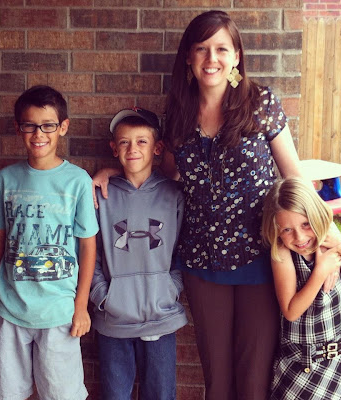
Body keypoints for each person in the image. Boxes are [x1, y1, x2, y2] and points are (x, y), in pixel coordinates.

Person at [92, 10, 337, 399]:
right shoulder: (179, 115)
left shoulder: (260, 104)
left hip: (263, 257)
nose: (212, 58)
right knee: (217, 380)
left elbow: (293, 177)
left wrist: (331, 240)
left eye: (222, 49)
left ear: (236, 56)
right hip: (203, 262)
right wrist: (116, 174)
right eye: (202, 49)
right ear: (189, 58)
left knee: (254, 377)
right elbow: (167, 176)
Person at [0, 85, 99, 400]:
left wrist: (81, 306)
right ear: (18, 128)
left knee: (61, 394)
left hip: (59, 312)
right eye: (30, 125)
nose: (38, 134)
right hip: (10, 309)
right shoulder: (5, 179)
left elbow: (88, 246)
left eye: (47, 125)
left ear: (63, 127)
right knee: (7, 393)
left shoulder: (78, 181)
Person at [90, 107, 187, 400]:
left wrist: (170, 289)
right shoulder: (99, 194)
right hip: (114, 319)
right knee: (114, 395)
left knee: (160, 394)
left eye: (142, 141)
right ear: (114, 148)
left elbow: (184, 249)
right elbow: (89, 251)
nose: (132, 148)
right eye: (124, 142)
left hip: (160, 314)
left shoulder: (175, 194)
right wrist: (103, 296)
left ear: (158, 147)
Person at [261, 177, 341, 399]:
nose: (299, 237)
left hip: (340, 353)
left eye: (305, 224)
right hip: (303, 362)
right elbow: (291, 311)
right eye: (287, 229)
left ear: (316, 217)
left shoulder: (329, 239)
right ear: (276, 230)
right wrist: (320, 272)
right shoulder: (282, 253)